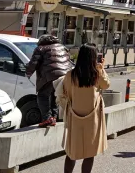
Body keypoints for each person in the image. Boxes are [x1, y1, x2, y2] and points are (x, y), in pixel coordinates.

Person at [55, 44, 109, 173]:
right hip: (93, 118)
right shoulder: (97, 74)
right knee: (90, 153)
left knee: (72, 151)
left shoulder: (71, 75)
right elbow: (106, 85)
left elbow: (66, 91)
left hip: (75, 117)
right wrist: (101, 68)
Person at [25, 30, 71, 127]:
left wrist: (27, 72)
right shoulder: (62, 47)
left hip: (50, 76)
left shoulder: (40, 48)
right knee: (55, 95)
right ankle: (53, 117)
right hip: (65, 76)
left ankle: (47, 118)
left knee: (42, 96)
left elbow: (33, 64)